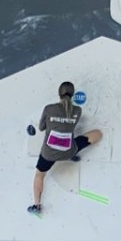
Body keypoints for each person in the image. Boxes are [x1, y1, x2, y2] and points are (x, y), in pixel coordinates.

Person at [27, 81, 102, 216]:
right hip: (68, 151)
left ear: (59, 94)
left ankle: (36, 205)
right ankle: (72, 156)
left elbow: (42, 128)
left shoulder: (49, 108)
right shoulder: (77, 111)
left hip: (48, 154)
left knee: (39, 175)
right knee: (97, 134)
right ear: (72, 95)